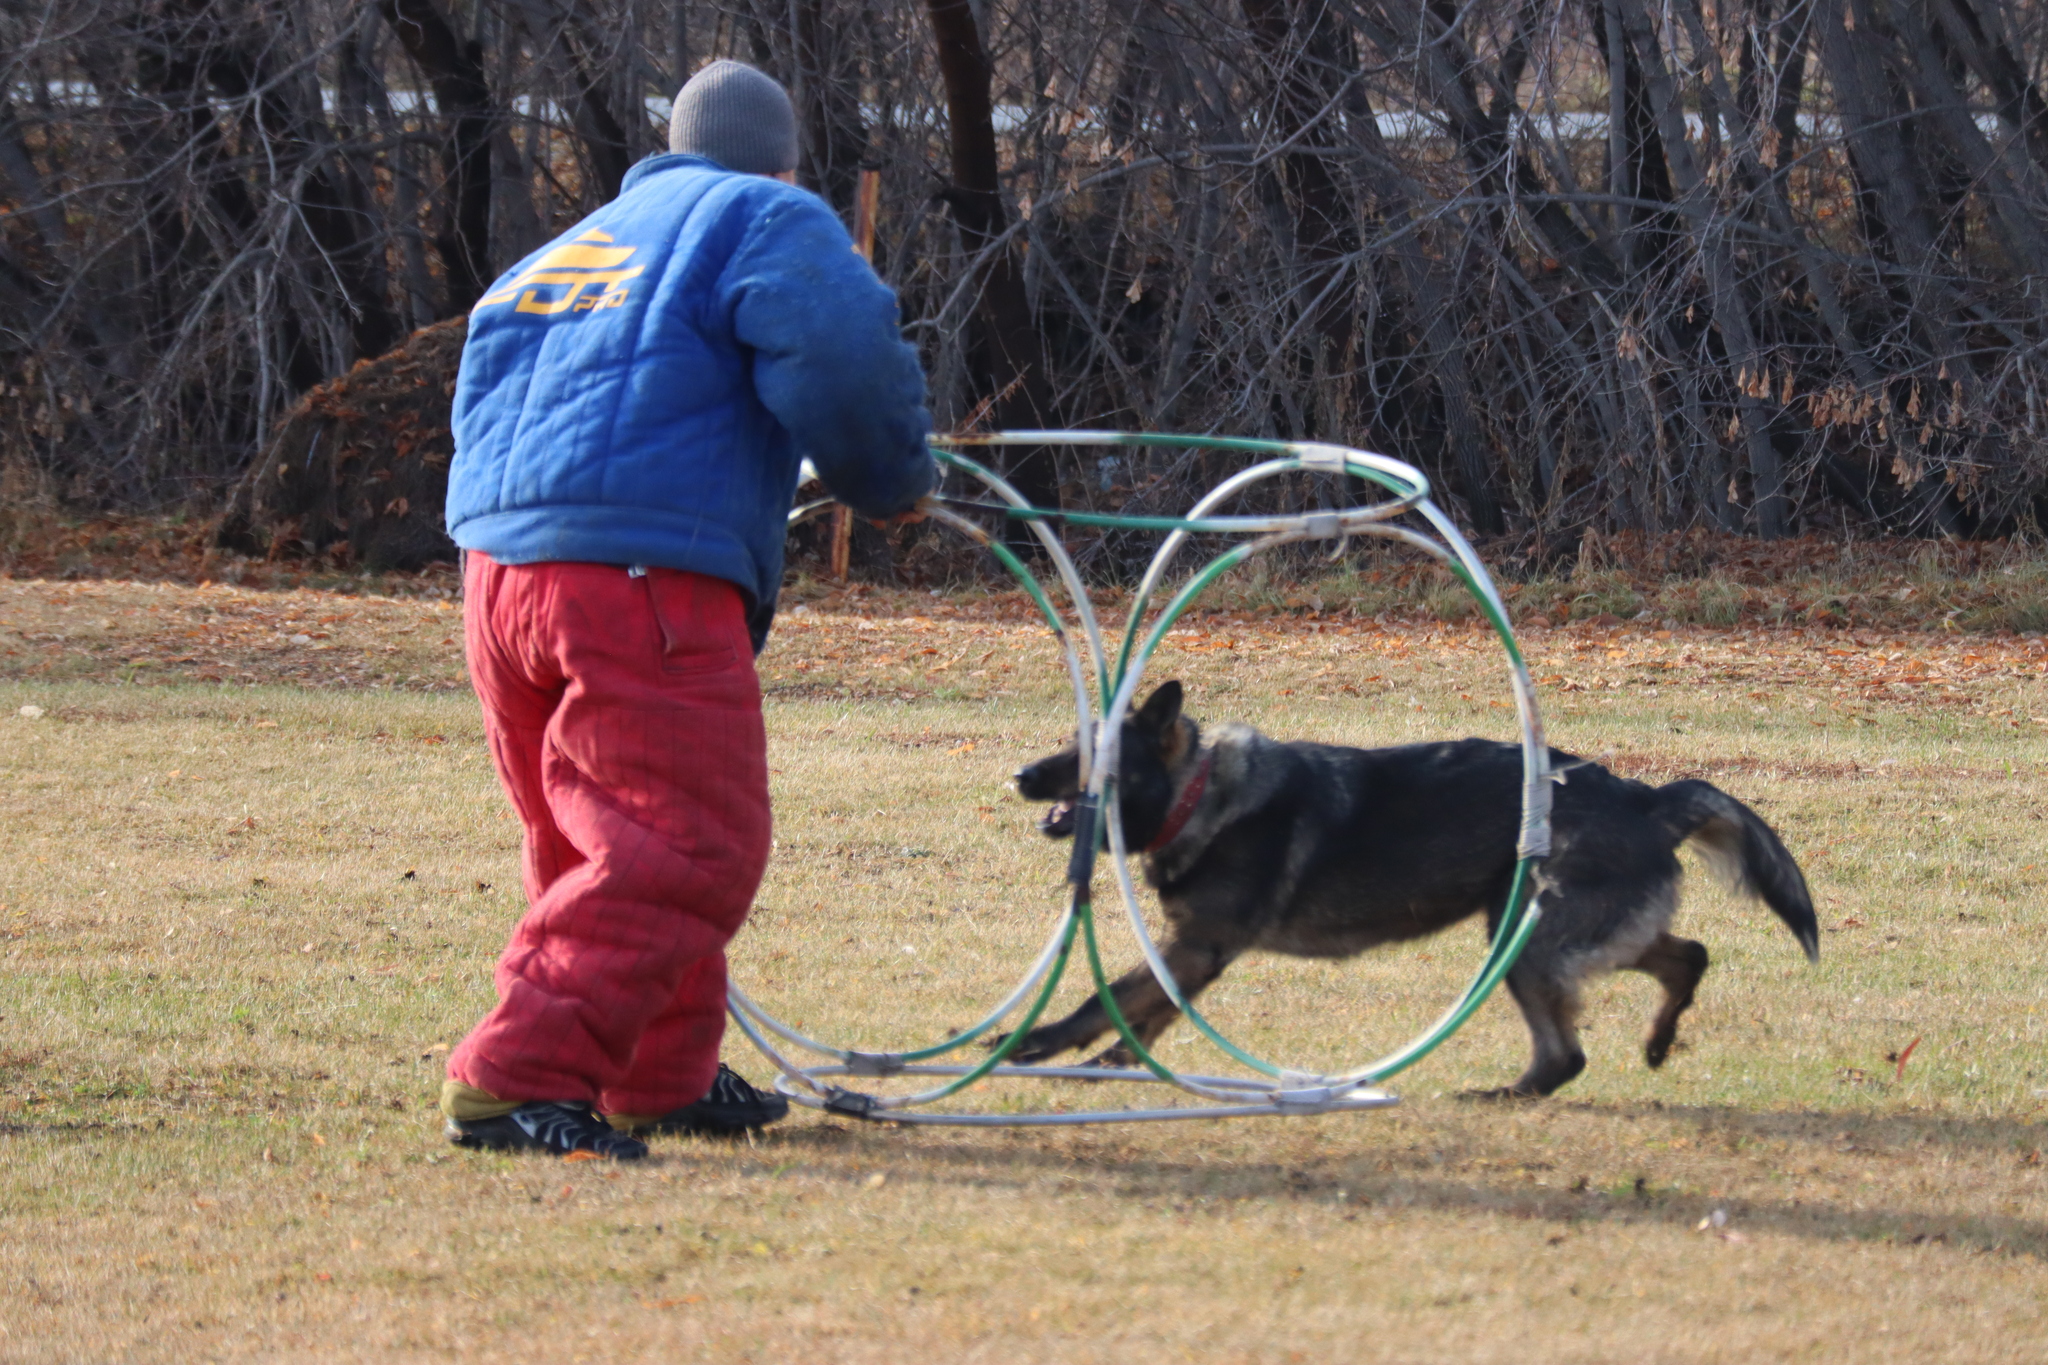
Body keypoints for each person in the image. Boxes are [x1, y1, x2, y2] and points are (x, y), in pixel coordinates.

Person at [437, 61, 934, 1159]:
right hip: (636, 579)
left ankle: (652, 1077)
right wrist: (892, 480)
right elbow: (843, 357)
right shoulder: (765, 213)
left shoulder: (579, 243)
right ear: (784, 160)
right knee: (680, 845)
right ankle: (515, 1077)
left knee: (590, 837)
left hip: (499, 574)